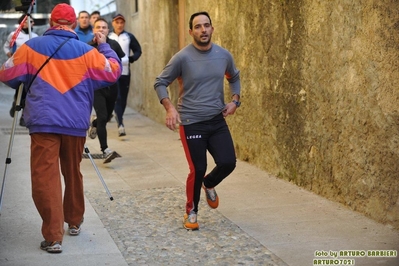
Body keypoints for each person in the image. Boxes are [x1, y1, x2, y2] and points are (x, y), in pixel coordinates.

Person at [0, 3, 121, 253]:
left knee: (46, 177)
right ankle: (74, 221)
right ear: (74, 24)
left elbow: (6, 74)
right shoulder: (87, 52)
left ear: (51, 23)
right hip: (75, 124)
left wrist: (14, 55)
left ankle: (54, 236)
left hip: (43, 123)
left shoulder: (31, 48)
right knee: (72, 171)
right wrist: (104, 45)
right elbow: (113, 72)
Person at [154, 11, 241, 230]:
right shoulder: (182, 57)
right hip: (192, 122)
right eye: (198, 26)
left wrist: (235, 101)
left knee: (228, 162)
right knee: (198, 168)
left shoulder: (223, 55)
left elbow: (234, 76)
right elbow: (160, 82)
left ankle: (209, 183)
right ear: (191, 31)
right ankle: (191, 212)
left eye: (206, 25)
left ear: (212, 28)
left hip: (216, 119)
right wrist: (169, 107)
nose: (203, 30)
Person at [88, 17, 124, 163]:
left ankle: (95, 124)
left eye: (104, 27)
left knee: (107, 117)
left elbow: (121, 60)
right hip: (97, 88)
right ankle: (105, 150)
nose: (101, 30)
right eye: (98, 27)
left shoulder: (114, 44)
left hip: (113, 87)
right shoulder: (88, 47)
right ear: (93, 30)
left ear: (108, 30)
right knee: (103, 116)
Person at [108, 13, 142, 137]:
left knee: (123, 98)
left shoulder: (128, 37)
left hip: (125, 72)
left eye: (122, 22)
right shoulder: (109, 37)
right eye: (117, 22)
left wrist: (132, 59)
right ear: (113, 23)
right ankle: (120, 124)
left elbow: (138, 50)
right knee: (117, 97)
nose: (119, 25)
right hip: (111, 73)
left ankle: (119, 116)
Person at [3, 14, 38, 126]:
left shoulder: (35, 36)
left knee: (29, 91)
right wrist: (11, 56)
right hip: (18, 67)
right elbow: (6, 46)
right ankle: (16, 103)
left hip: (31, 68)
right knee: (20, 89)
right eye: (28, 21)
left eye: (32, 21)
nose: (30, 23)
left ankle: (23, 115)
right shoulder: (14, 35)